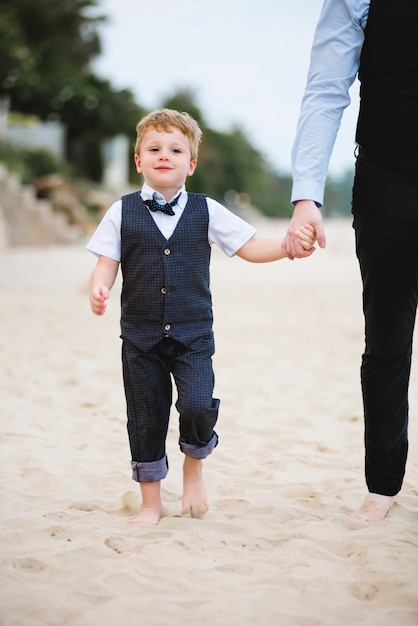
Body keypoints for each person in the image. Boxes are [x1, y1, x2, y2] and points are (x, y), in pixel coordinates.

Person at [87, 108, 315, 525]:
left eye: (175, 149)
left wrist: (286, 247)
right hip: (140, 337)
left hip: (193, 335)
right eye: (153, 148)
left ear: (191, 164)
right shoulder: (121, 213)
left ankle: (194, 468)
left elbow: (249, 247)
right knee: (146, 416)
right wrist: (98, 288)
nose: (164, 155)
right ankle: (151, 503)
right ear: (138, 160)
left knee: (195, 405)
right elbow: (106, 263)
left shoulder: (207, 210)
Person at [283, 0, 418, 522]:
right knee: (386, 339)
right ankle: (382, 486)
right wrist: (306, 197)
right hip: (387, 181)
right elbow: (325, 90)